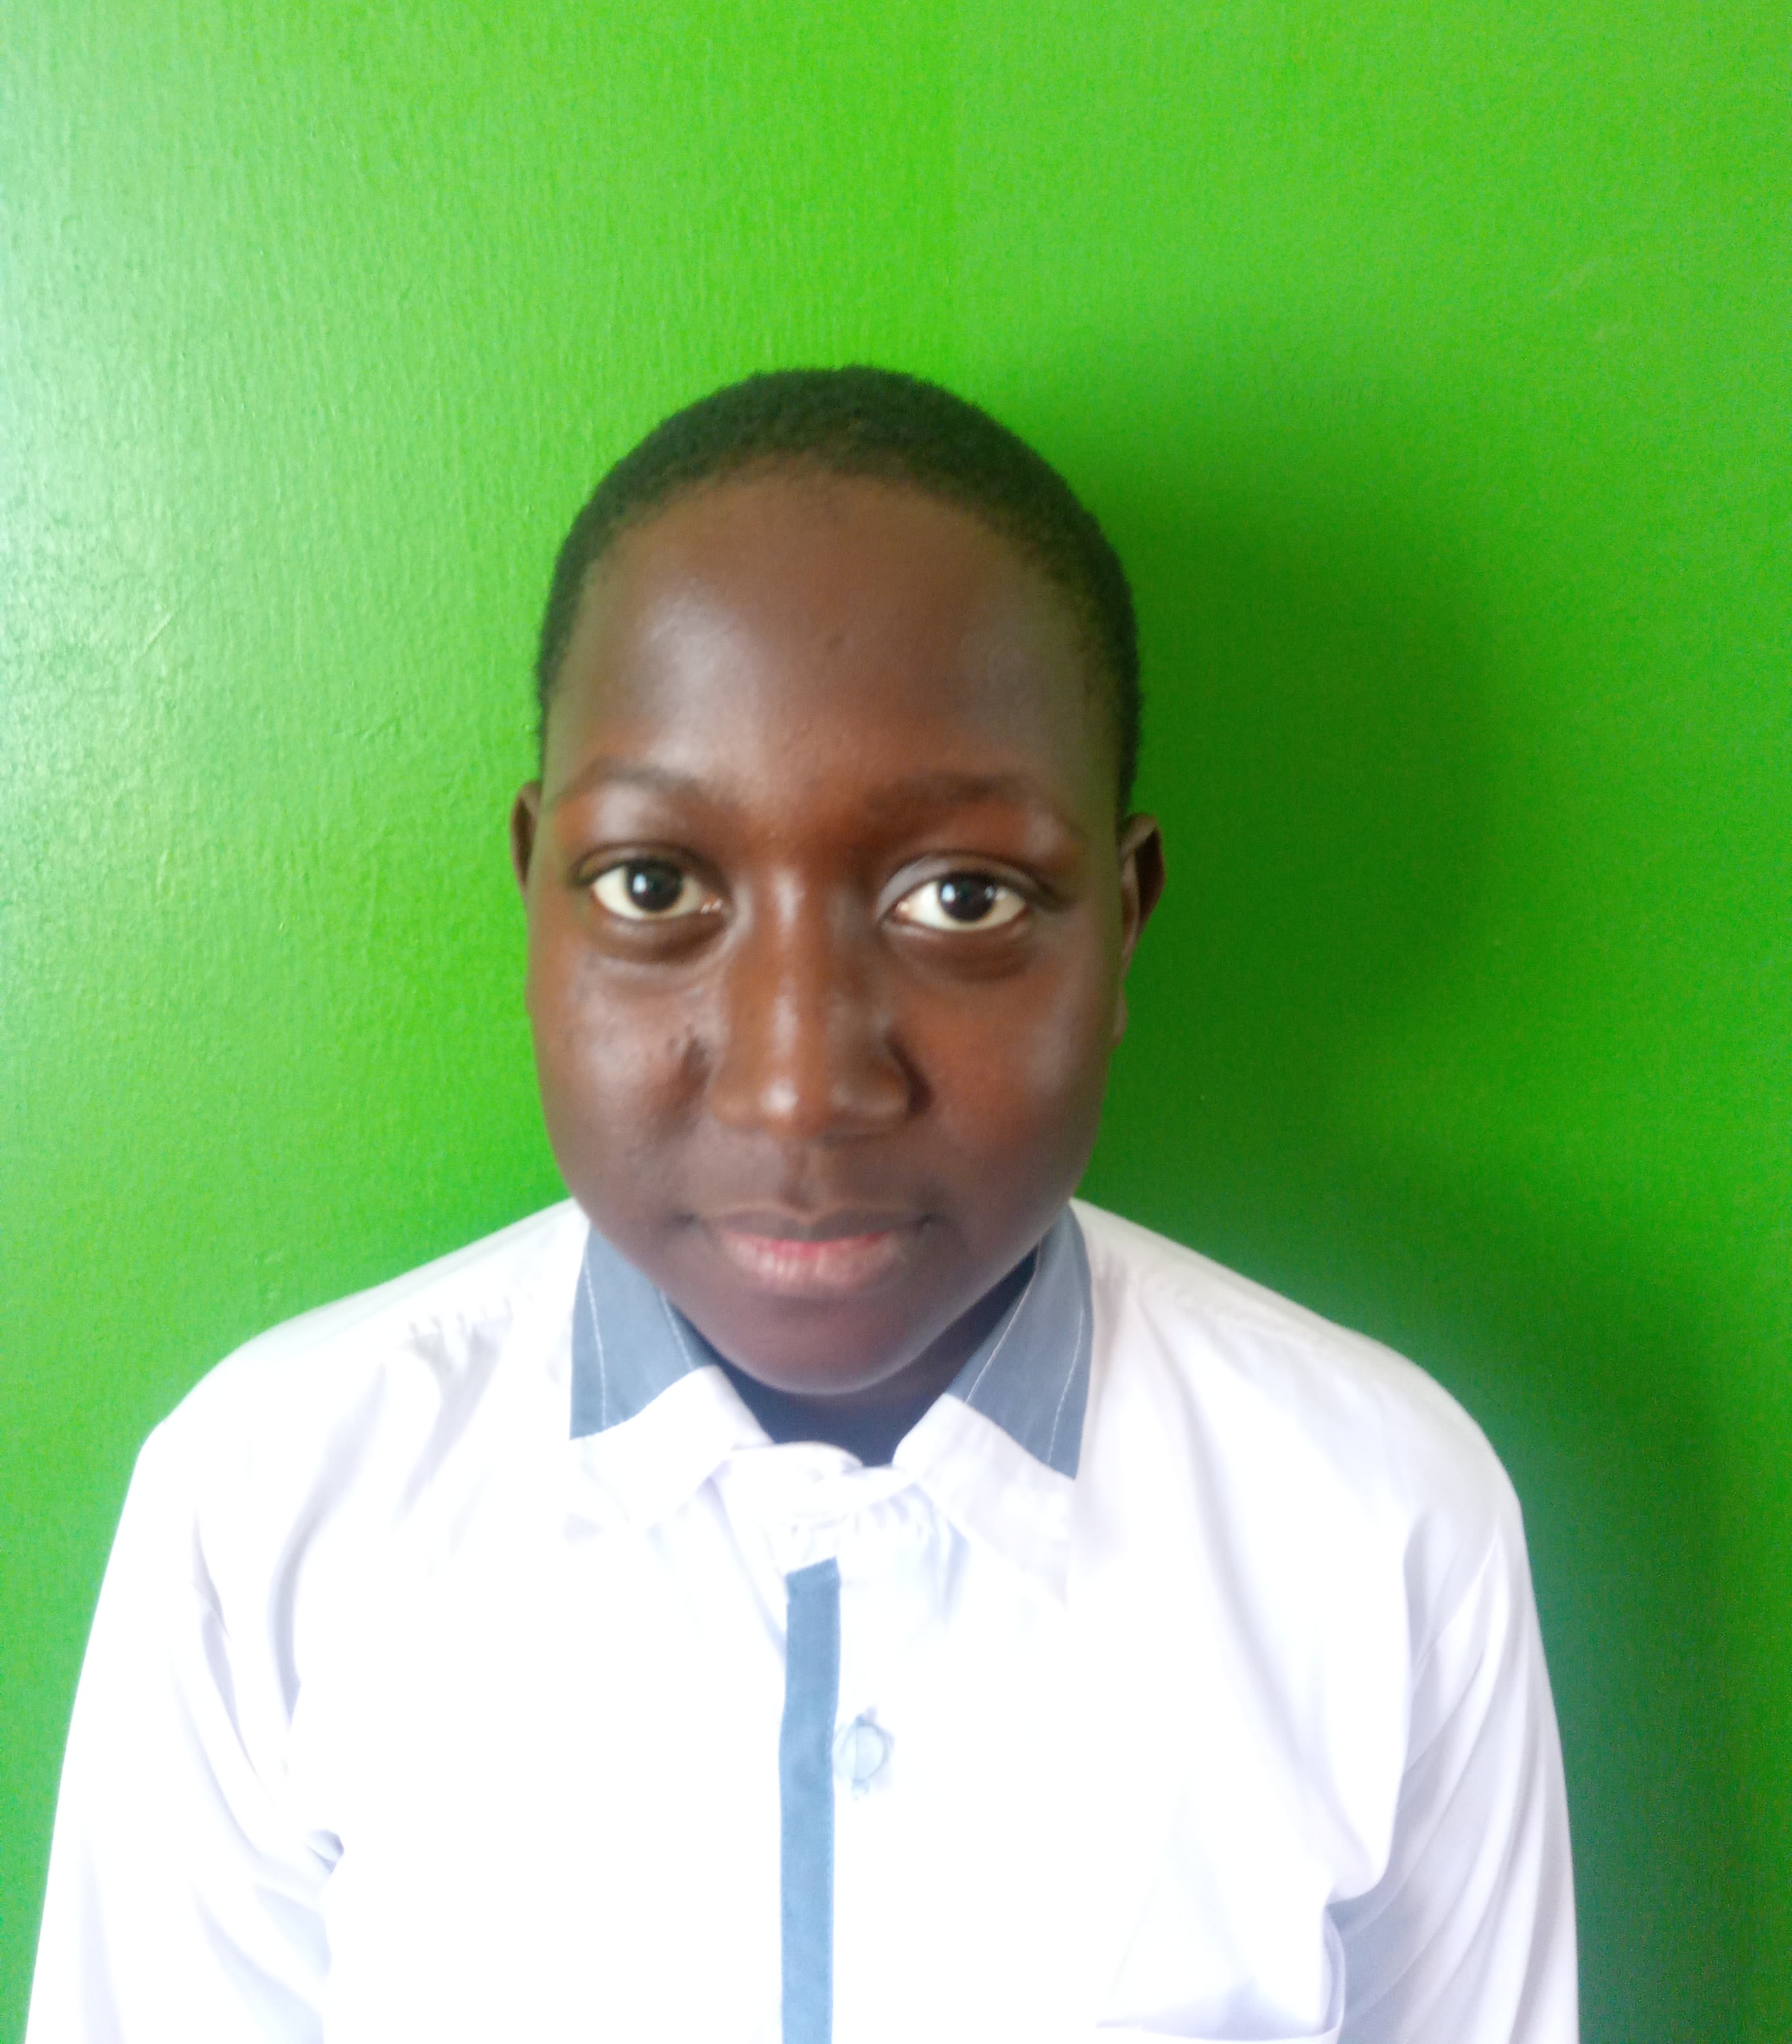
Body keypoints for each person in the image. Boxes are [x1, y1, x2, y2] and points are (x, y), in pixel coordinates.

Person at [27, 368, 1578, 2042]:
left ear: (1121, 924)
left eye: (963, 896)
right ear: (537, 889)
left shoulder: (1376, 1527)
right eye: (654, 885)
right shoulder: (269, 1511)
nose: (799, 1087)